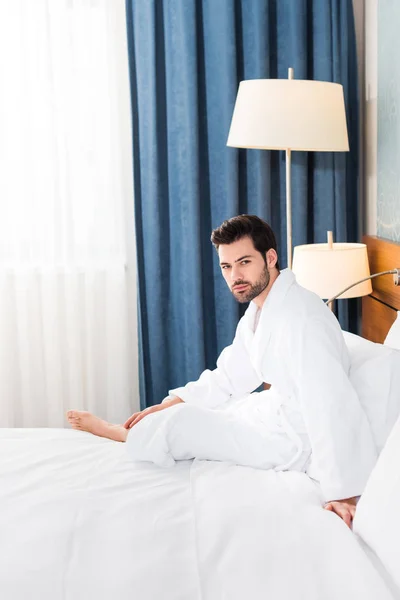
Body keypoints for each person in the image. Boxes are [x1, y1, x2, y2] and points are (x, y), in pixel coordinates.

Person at [67, 215, 377, 527]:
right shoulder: (261, 309)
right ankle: (146, 428)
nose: (235, 275)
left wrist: (343, 491)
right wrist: (174, 400)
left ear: (270, 258)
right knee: (199, 410)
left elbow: (329, 401)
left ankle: (121, 434)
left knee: (184, 423)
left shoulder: (303, 318)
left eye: (244, 262)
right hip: (274, 414)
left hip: (294, 441)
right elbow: (230, 374)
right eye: (226, 267)